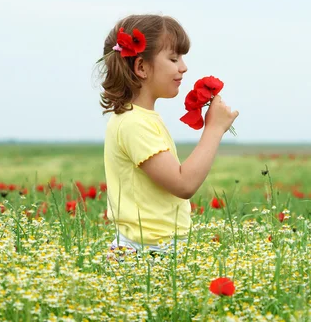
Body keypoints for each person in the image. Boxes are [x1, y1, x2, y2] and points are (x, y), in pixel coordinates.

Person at [96, 14, 239, 257]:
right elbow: (183, 184)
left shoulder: (140, 118)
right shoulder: (134, 124)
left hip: (151, 246)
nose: (183, 67)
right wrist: (214, 129)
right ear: (141, 67)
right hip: (146, 251)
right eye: (173, 58)